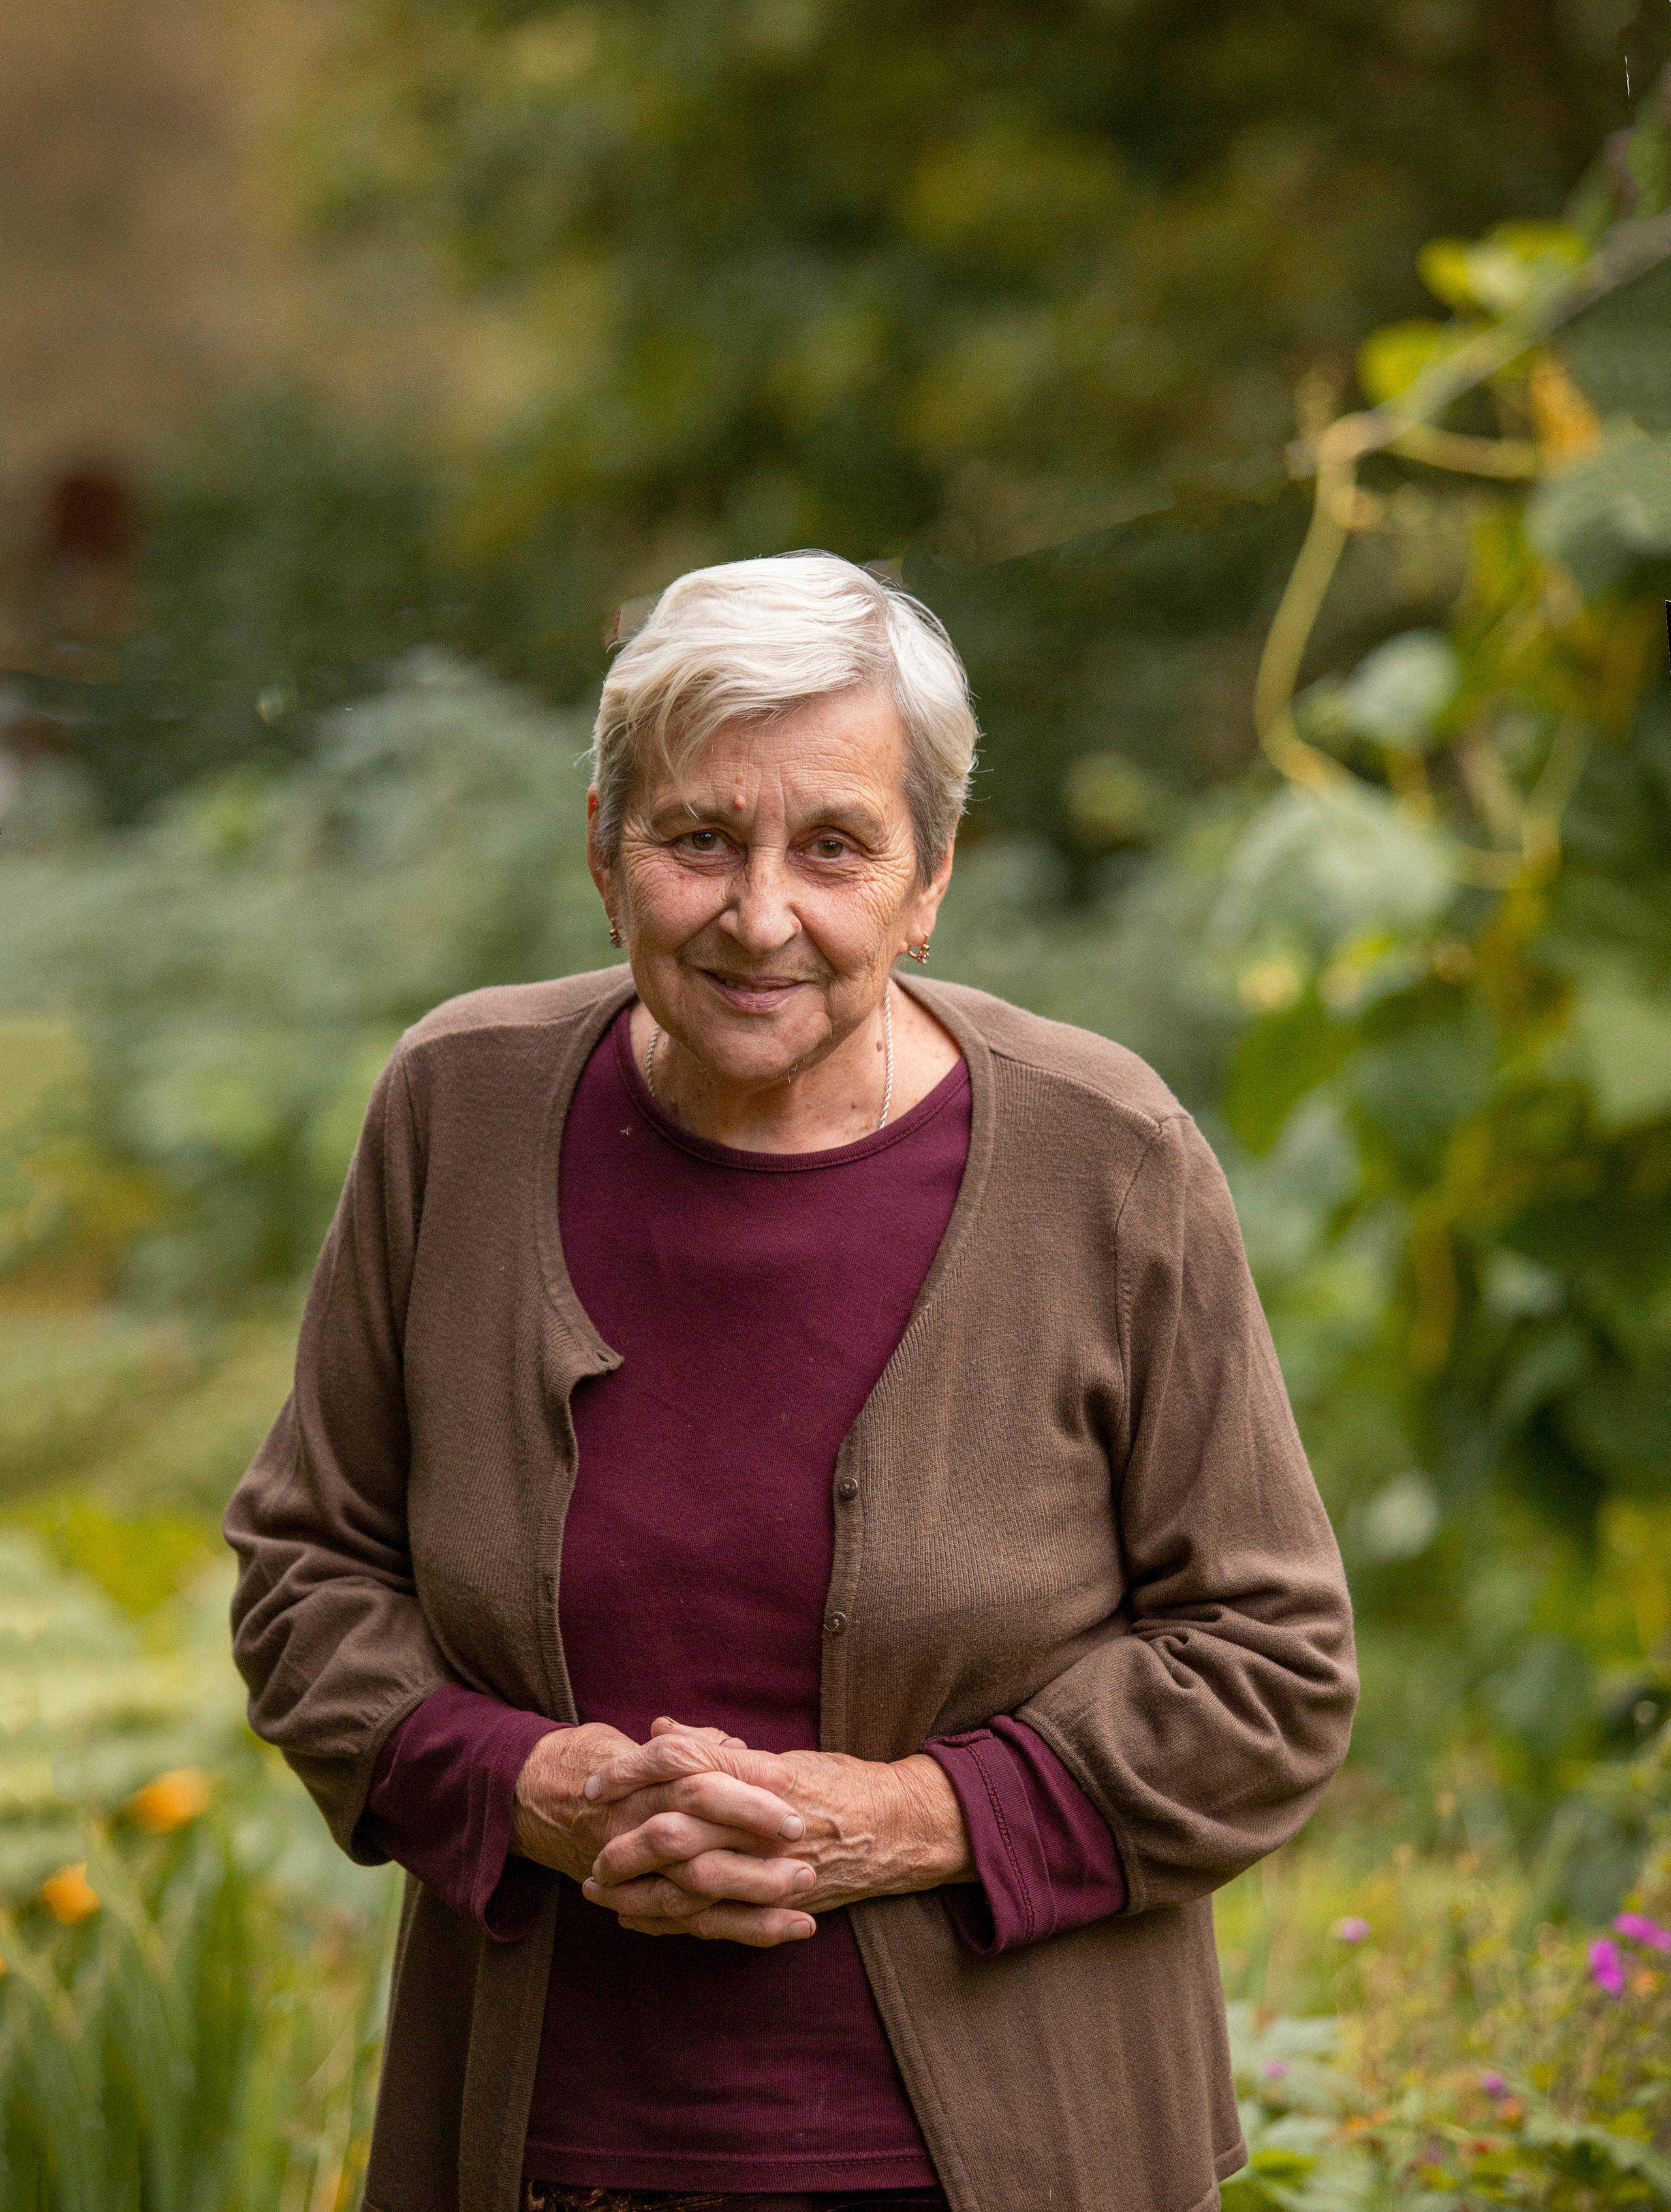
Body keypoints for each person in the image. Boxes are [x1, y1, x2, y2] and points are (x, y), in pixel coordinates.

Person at [226, 552, 1357, 2212]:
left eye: (834, 847)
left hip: (1015, 2163)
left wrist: (911, 1820)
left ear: (930, 879)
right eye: (699, 838)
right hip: (543, 2157)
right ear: (602, 855)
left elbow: (1269, 1669)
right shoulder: (454, 1112)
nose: (762, 915)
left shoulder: (1105, 1159)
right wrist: (519, 1786)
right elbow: (306, 1576)